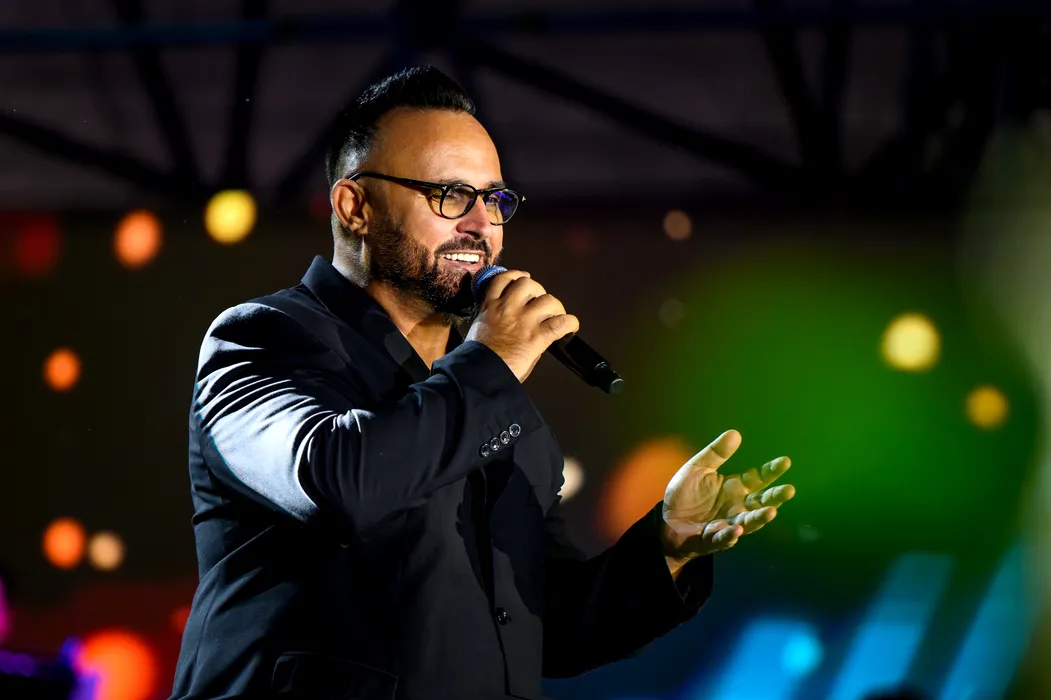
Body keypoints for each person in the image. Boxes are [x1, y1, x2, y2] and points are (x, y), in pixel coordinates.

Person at [170, 66, 796, 700]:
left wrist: (667, 546)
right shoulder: (263, 338)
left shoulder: (497, 400)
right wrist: (493, 363)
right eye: (450, 194)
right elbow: (337, 480)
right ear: (355, 207)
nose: (480, 224)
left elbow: (545, 626)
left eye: (494, 200)